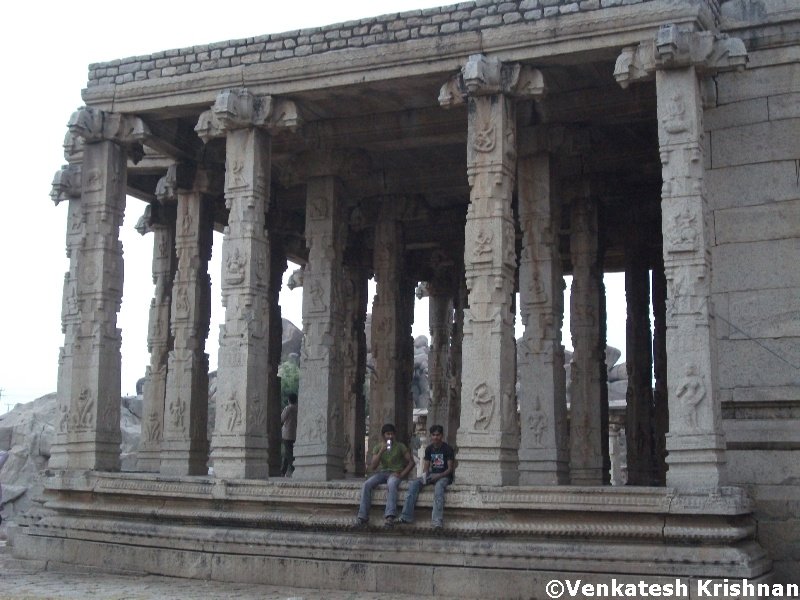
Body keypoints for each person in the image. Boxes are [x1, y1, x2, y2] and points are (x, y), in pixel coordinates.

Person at [356, 423, 415, 527]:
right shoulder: (378, 447)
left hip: (395, 473)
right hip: (383, 473)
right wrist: (381, 452)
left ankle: (390, 516)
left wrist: (402, 475)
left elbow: (411, 462)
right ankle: (362, 516)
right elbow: (373, 466)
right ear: (383, 435)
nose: (390, 437)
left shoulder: (400, 446)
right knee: (367, 484)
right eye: (388, 434)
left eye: (392, 434)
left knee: (391, 484)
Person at [399, 424, 455, 529]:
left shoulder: (447, 449)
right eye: (433, 435)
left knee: (438, 489)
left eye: (437, 435)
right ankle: (406, 516)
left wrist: (438, 476)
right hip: (432, 475)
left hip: (444, 476)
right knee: (414, 484)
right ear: (430, 436)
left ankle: (437, 520)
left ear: (442, 436)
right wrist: (424, 478)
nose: (435, 437)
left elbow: (450, 469)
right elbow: (426, 466)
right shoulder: (429, 449)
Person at [280, 394, 298, 476]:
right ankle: (283, 471)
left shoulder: (288, 408)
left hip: (287, 433)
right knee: (288, 452)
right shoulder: (298, 409)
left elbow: (282, 418)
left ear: (288, 400)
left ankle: (294, 468)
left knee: (288, 452)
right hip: (295, 433)